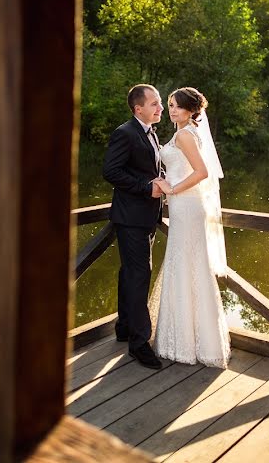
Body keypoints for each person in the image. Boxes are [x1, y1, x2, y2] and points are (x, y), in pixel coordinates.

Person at [151, 87, 230, 368]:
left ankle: (186, 343)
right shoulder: (184, 133)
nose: (172, 110)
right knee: (186, 265)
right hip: (185, 207)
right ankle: (187, 339)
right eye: (170, 105)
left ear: (192, 111)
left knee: (186, 265)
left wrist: (171, 189)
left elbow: (202, 172)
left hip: (186, 206)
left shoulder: (185, 135)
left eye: (178, 106)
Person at [102, 84, 165, 369]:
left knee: (131, 273)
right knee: (140, 276)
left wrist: (162, 182)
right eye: (154, 103)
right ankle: (140, 345)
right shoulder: (125, 132)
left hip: (146, 217)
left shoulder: (151, 132)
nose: (160, 107)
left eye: (160, 103)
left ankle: (124, 329)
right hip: (130, 218)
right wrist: (145, 188)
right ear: (138, 108)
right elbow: (111, 171)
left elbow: (150, 170)